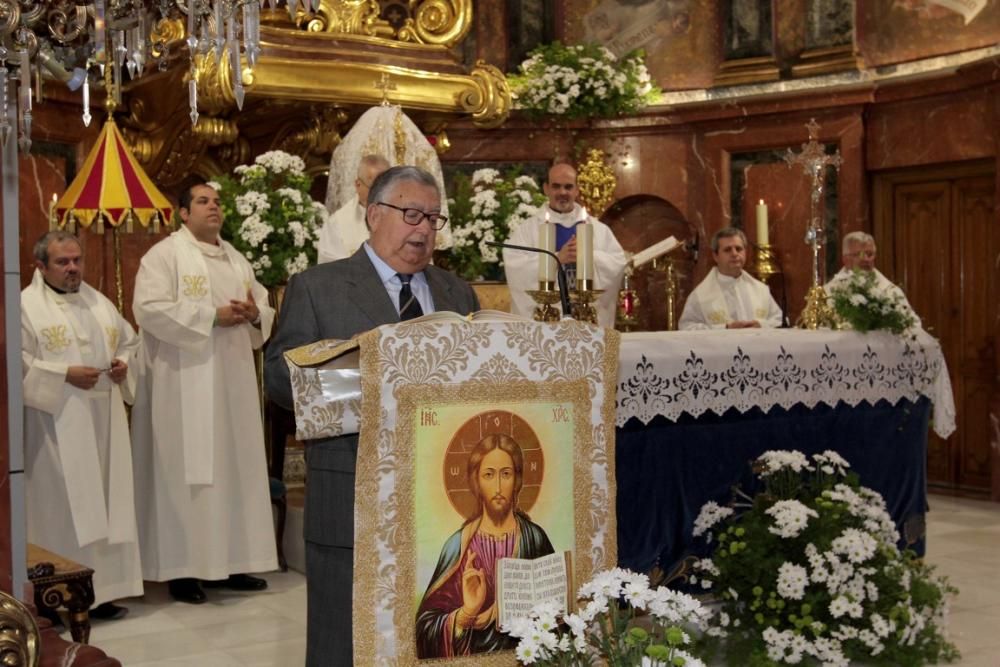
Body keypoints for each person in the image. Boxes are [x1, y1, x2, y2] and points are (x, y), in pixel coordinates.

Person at [264, 165, 480, 666]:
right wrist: (369, 380)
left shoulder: (456, 293)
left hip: (443, 503)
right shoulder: (318, 288)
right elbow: (278, 380)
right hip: (352, 495)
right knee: (344, 642)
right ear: (374, 215)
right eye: (411, 214)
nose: (424, 229)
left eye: (433, 218)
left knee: (432, 634)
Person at [130, 182, 278, 604]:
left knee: (234, 468)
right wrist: (210, 316)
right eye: (202, 201)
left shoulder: (235, 257)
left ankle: (230, 563)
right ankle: (184, 570)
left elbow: (262, 307)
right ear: (182, 212)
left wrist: (254, 315)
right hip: (184, 384)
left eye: (217, 202)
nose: (213, 207)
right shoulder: (163, 256)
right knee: (188, 474)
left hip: (231, 384)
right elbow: (149, 310)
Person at [21, 231, 142, 620]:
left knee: (106, 501)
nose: (73, 268)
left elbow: (129, 341)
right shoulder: (25, 306)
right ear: (40, 266)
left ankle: (100, 591)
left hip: (103, 420)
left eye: (77, 260)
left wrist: (124, 364)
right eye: (63, 262)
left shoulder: (98, 301)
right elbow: (19, 362)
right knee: (64, 507)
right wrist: (63, 374)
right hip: (55, 425)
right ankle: (57, 593)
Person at [415, 433, 554, 659]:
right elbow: (424, 629)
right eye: (488, 475)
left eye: (506, 474)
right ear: (476, 482)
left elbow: (556, 613)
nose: (498, 486)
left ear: (517, 481)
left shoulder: (535, 539)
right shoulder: (458, 547)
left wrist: (513, 609)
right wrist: (466, 614)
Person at [503, 163, 627, 328]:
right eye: (556, 186)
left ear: (577, 190)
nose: (563, 192)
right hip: (546, 324)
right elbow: (515, 266)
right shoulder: (527, 230)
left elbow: (617, 262)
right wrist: (555, 259)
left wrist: (589, 257)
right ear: (546, 189)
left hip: (586, 323)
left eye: (568, 187)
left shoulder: (598, 229)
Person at [678, 227, 783, 330]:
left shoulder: (760, 290)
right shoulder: (700, 295)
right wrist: (725, 328)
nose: (734, 254)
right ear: (715, 256)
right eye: (727, 250)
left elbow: (780, 321)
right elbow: (686, 327)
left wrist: (760, 325)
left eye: (738, 249)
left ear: (745, 252)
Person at [825, 231, 922, 328]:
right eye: (859, 254)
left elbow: (913, 324)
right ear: (845, 259)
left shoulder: (890, 291)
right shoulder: (829, 293)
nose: (865, 259)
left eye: (870, 254)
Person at [317, 154, 391, 263]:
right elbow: (329, 270)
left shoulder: (404, 216)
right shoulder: (337, 223)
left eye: (386, 187)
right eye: (374, 188)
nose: (380, 194)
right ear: (358, 185)